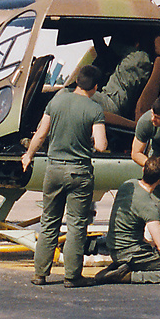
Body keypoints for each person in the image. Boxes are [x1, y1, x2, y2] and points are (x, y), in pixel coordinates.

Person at [21, 65, 107, 288]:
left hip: (54, 170)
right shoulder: (94, 108)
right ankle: (72, 276)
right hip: (79, 171)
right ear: (95, 87)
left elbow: (41, 134)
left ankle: (40, 273)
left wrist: (28, 155)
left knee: (49, 222)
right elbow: (101, 144)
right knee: (77, 225)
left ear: (77, 82)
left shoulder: (56, 102)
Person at [102, 156, 160, 285]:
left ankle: (119, 269)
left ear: (143, 170)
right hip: (130, 253)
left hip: (114, 247)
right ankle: (128, 276)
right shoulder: (149, 206)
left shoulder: (127, 185)